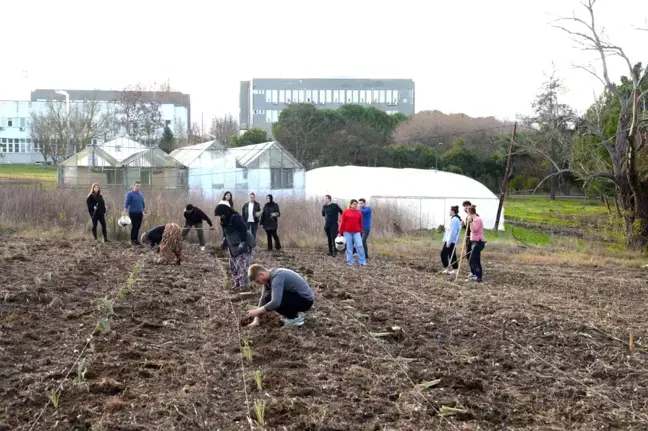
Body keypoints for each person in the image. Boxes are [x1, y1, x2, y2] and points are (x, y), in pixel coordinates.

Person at [245, 264, 314, 328]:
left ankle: (294, 319)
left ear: (261, 274)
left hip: (306, 301)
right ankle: (294, 314)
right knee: (267, 295)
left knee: (271, 297)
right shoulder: (269, 278)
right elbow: (263, 298)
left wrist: (257, 311)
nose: (258, 284)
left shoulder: (277, 277)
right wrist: (256, 319)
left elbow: (275, 302)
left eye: (257, 281)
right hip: (299, 298)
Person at [215, 201, 253, 289]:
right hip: (232, 246)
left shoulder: (235, 218)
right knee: (233, 266)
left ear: (225, 212)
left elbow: (243, 229)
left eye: (221, 214)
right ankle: (236, 284)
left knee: (242, 266)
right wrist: (224, 241)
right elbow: (225, 232)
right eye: (219, 215)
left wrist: (242, 243)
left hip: (241, 244)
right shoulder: (223, 221)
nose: (220, 217)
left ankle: (244, 286)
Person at [339, 199, 366, 266]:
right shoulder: (345, 212)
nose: (355, 205)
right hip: (347, 232)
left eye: (356, 204)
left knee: (360, 246)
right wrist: (340, 232)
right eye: (354, 204)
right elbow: (342, 223)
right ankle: (350, 262)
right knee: (349, 247)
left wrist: (360, 231)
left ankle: (362, 261)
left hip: (356, 232)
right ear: (350, 204)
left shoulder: (359, 212)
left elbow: (360, 223)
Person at [466, 204, 485, 283]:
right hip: (474, 241)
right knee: (476, 260)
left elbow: (474, 230)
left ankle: (478, 276)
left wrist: (470, 222)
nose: (467, 214)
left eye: (467, 212)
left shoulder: (477, 219)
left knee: (472, 260)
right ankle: (478, 277)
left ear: (470, 212)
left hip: (478, 242)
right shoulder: (474, 220)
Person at [123, 181, 146, 246]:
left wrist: (144, 210)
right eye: (137, 186)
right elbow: (127, 203)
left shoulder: (141, 194)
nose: (138, 187)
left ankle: (136, 240)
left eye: (139, 186)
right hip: (133, 213)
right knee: (134, 226)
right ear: (134, 186)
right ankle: (133, 240)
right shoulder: (130, 194)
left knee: (138, 227)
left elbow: (142, 203)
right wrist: (125, 211)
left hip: (140, 213)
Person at [441, 205, 462, 274]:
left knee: (443, 254)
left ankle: (447, 268)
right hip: (451, 240)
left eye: (450, 210)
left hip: (450, 240)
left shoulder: (455, 220)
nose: (449, 212)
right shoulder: (454, 219)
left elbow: (452, 231)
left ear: (453, 211)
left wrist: (448, 242)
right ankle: (455, 269)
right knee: (451, 254)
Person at [461, 200, 479, 278]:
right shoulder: (467, 217)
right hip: (468, 238)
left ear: (470, 206)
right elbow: (468, 229)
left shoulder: (475, 216)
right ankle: (473, 271)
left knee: (472, 256)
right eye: (464, 206)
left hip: (473, 238)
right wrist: (463, 225)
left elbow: (475, 228)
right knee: (469, 256)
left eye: (467, 206)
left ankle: (476, 272)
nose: (466, 207)